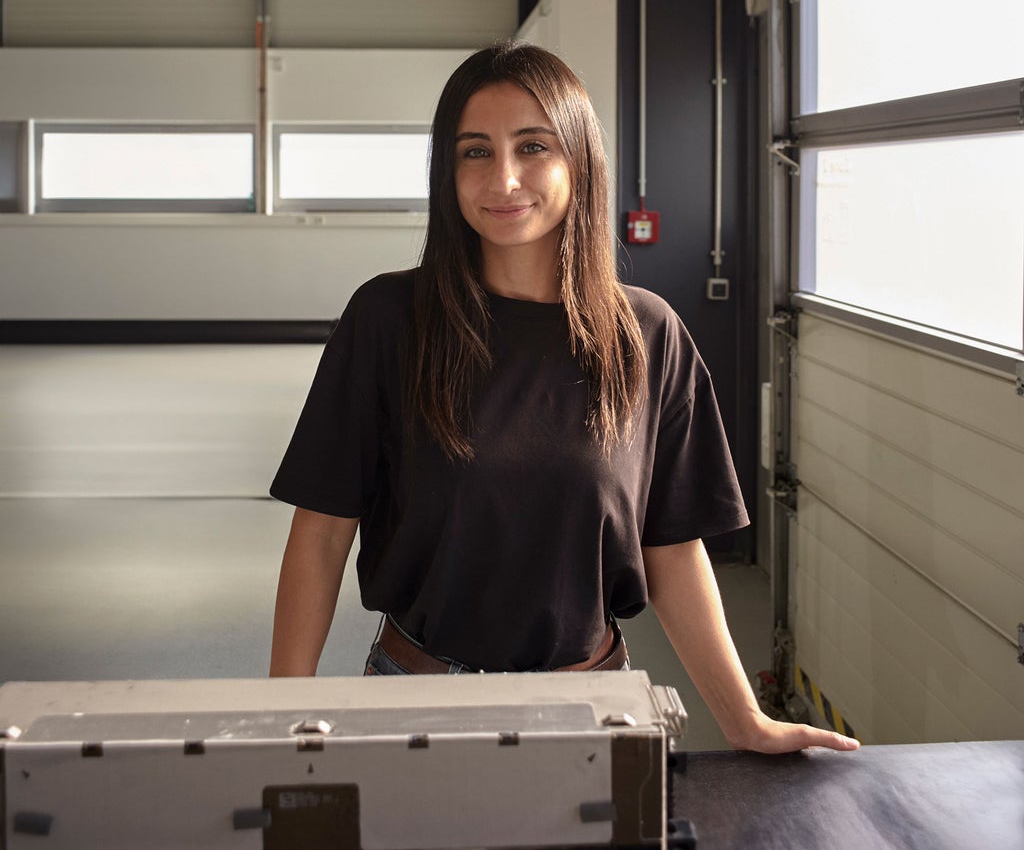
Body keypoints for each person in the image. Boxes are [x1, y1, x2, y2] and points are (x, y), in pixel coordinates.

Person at [269, 41, 858, 755]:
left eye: (533, 147)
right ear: (446, 172)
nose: (504, 178)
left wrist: (745, 721)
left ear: (578, 161)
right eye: (475, 152)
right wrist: (283, 716)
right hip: (415, 699)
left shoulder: (645, 335)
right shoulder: (390, 320)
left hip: (593, 707)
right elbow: (323, 531)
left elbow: (670, 551)